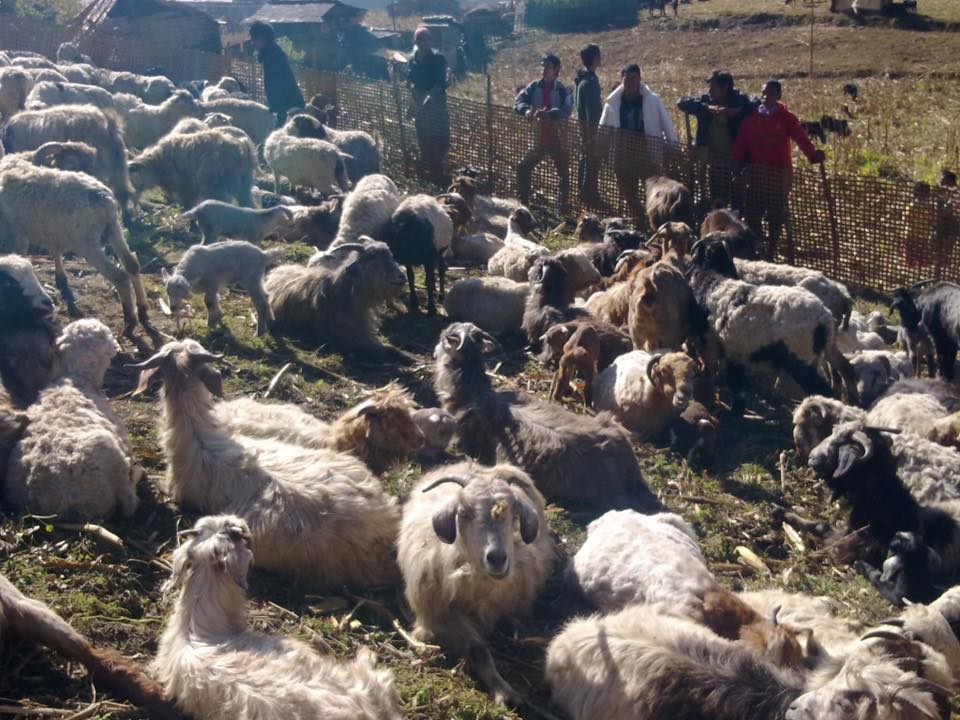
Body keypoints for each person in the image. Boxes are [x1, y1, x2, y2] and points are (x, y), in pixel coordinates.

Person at [731, 79, 825, 259]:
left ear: (779, 96)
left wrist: (812, 155)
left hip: (779, 176)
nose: (766, 97)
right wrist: (737, 164)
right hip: (757, 176)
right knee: (753, 214)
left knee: (775, 214)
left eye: (771, 93)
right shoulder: (751, 121)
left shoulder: (786, 118)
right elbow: (740, 145)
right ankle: (758, 245)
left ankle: (771, 249)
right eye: (764, 93)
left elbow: (801, 138)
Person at [598, 64, 678, 222]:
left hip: (647, 153)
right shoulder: (613, 103)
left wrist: (673, 146)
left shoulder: (652, 100)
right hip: (622, 154)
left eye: (633, 79)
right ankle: (639, 219)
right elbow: (603, 128)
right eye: (626, 79)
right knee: (628, 190)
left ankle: (654, 219)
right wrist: (601, 148)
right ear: (622, 79)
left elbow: (666, 124)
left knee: (653, 189)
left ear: (640, 79)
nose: (630, 83)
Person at [677, 70, 756, 205]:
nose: (710, 91)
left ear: (725, 88)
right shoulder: (707, 100)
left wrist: (735, 111)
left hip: (736, 161)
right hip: (715, 160)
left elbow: (756, 104)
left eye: (713, 88)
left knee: (737, 198)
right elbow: (681, 102)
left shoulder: (739, 100)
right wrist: (707, 108)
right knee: (717, 196)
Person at [514, 53, 573, 209]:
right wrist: (526, 111)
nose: (544, 69)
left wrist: (549, 114)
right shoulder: (534, 86)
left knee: (563, 176)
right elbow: (519, 101)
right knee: (523, 168)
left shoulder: (562, 90)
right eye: (543, 65)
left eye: (547, 66)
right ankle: (525, 202)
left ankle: (561, 207)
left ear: (556, 69)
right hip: (539, 139)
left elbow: (566, 110)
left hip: (558, 140)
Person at [407, 26, 450, 184]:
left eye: (426, 39)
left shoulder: (437, 58)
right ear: (415, 41)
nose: (423, 42)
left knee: (438, 139)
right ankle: (426, 172)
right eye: (420, 40)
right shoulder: (413, 59)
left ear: (430, 41)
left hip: (436, 104)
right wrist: (413, 104)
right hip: (420, 105)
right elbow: (411, 82)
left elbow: (441, 82)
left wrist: (430, 97)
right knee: (423, 138)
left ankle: (438, 175)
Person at [249, 21, 304, 127]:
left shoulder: (272, 56)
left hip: (287, 108)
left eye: (253, 39)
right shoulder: (271, 53)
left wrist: (278, 110)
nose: (252, 42)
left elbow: (278, 84)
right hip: (287, 105)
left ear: (261, 38)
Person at [575, 44, 603, 207]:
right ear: (593, 58)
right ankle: (590, 196)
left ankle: (584, 194)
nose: (601, 57)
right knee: (592, 163)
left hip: (583, 127)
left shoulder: (581, 80)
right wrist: (594, 134)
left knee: (586, 159)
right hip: (590, 129)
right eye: (599, 55)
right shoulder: (591, 82)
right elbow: (592, 110)